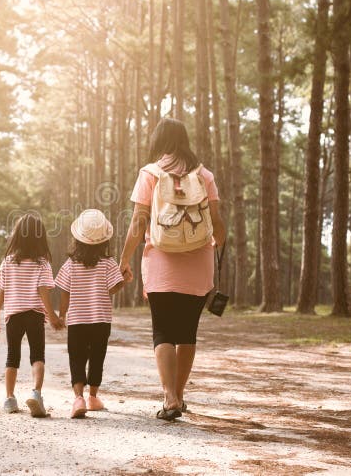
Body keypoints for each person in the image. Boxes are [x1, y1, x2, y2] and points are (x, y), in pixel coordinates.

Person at [119, 118, 227, 421]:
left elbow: (139, 222)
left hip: (161, 262)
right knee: (187, 333)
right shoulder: (205, 175)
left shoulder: (150, 173)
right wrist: (216, 249)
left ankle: (169, 398)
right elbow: (217, 224)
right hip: (198, 263)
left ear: (159, 141)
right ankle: (180, 395)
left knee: (163, 330)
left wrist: (125, 258)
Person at [55, 209, 125, 419]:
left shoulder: (70, 265)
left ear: (78, 240)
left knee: (76, 357)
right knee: (97, 357)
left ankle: (78, 398)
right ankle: (93, 397)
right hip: (101, 320)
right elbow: (112, 288)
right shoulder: (109, 263)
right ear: (104, 240)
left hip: (77, 320)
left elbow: (65, 293)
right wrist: (124, 280)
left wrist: (62, 315)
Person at [0, 214, 63, 417]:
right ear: (40, 237)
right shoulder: (43, 264)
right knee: (37, 356)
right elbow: (43, 292)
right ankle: (36, 394)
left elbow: (2, 290)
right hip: (34, 314)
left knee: (12, 357)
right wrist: (52, 316)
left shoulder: (8, 262)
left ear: (17, 236)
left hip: (13, 315)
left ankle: (9, 398)